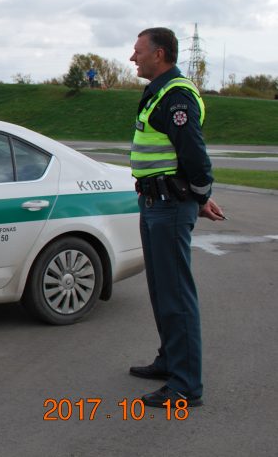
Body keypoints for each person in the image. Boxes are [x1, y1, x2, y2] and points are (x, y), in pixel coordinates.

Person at [128, 27, 225, 409]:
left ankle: (186, 384)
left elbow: (195, 157)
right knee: (160, 290)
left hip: (169, 206)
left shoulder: (177, 95)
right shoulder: (157, 93)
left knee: (176, 295)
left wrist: (200, 196)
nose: (133, 57)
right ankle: (170, 360)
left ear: (160, 53)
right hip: (155, 204)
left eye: (138, 51)